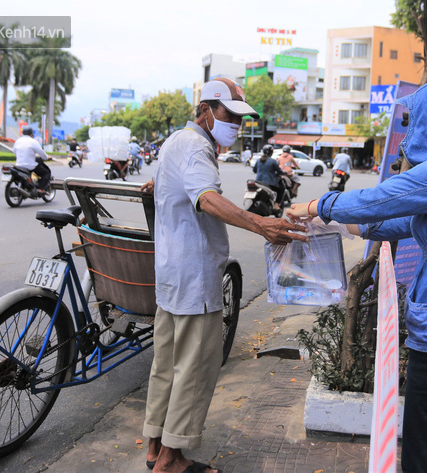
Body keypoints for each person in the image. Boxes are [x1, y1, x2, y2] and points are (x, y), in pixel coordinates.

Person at [287, 76, 427, 473]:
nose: (410, 129)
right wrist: (334, 223)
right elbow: (390, 221)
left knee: (426, 455)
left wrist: (317, 205)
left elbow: (379, 198)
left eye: (417, 117)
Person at [140, 77, 307, 473]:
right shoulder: (197, 145)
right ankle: (172, 458)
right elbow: (206, 198)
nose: (236, 123)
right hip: (194, 274)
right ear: (208, 109)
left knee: (166, 362)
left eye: (239, 117)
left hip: (170, 272)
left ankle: (153, 446)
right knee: (195, 368)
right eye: (230, 114)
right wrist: (259, 223)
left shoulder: (175, 142)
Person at [12, 127, 51, 193]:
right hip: (29, 166)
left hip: (18, 165)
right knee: (46, 173)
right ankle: (40, 189)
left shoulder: (17, 141)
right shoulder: (33, 141)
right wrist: (47, 157)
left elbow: (14, 151)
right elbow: (41, 152)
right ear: (31, 134)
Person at [253, 144, 286, 210]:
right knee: (281, 189)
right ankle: (276, 205)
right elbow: (279, 171)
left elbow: (254, 170)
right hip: (270, 183)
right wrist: (284, 173)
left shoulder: (259, 160)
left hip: (258, 182)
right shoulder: (273, 161)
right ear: (271, 152)